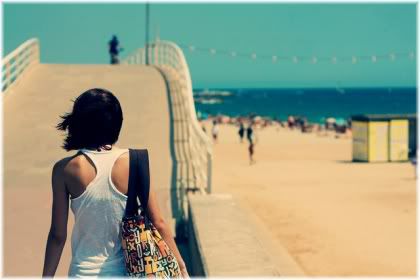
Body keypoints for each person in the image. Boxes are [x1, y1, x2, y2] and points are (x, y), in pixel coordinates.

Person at [42, 88, 189, 278]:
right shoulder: (135, 162)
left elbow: (57, 235)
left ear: (79, 124)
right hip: (128, 272)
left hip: (82, 272)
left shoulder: (64, 170)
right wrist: (181, 265)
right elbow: (158, 222)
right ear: (117, 123)